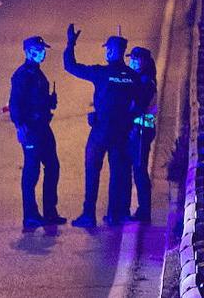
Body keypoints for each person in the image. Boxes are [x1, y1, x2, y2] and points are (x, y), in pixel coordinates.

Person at [63, 23, 139, 227]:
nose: (106, 52)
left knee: (92, 171)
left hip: (101, 131)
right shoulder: (133, 77)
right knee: (117, 173)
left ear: (113, 51)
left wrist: (70, 43)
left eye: (107, 49)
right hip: (122, 132)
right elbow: (139, 105)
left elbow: (70, 66)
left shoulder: (101, 73)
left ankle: (89, 215)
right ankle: (114, 214)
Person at [9, 35, 66, 230]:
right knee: (31, 171)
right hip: (32, 129)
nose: (41, 53)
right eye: (37, 50)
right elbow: (15, 103)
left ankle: (50, 212)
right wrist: (20, 125)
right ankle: (30, 215)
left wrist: (50, 102)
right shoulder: (22, 75)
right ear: (27, 52)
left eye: (43, 50)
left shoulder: (38, 74)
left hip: (43, 127)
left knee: (53, 167)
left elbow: (37, 99)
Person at [128, 46, 158, 222]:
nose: (132, 62)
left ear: (144, 61)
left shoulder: (146, 82)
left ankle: (144, 210)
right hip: (139, 130)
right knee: (137, 169)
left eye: (135, 59)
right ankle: (142, 209)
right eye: (131, 58)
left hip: (141, 131)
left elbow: (138, 106)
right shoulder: (139, 78)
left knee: (140, 170)